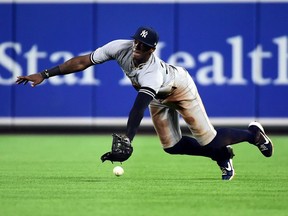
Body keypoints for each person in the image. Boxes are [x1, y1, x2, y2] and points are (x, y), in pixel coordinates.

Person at [16, 26, 274, 180]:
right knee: (172, 147)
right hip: (157, 98)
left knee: (211, 140)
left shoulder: (152, 71)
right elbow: (83, 61)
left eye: (144, 45)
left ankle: (253, 135)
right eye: (137, 41)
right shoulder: (121, 47)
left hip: (179, 88)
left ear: (152, 50)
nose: (137, 46)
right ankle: (222, 156)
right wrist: (46, 74)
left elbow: (138, 106)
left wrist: (128, 138)